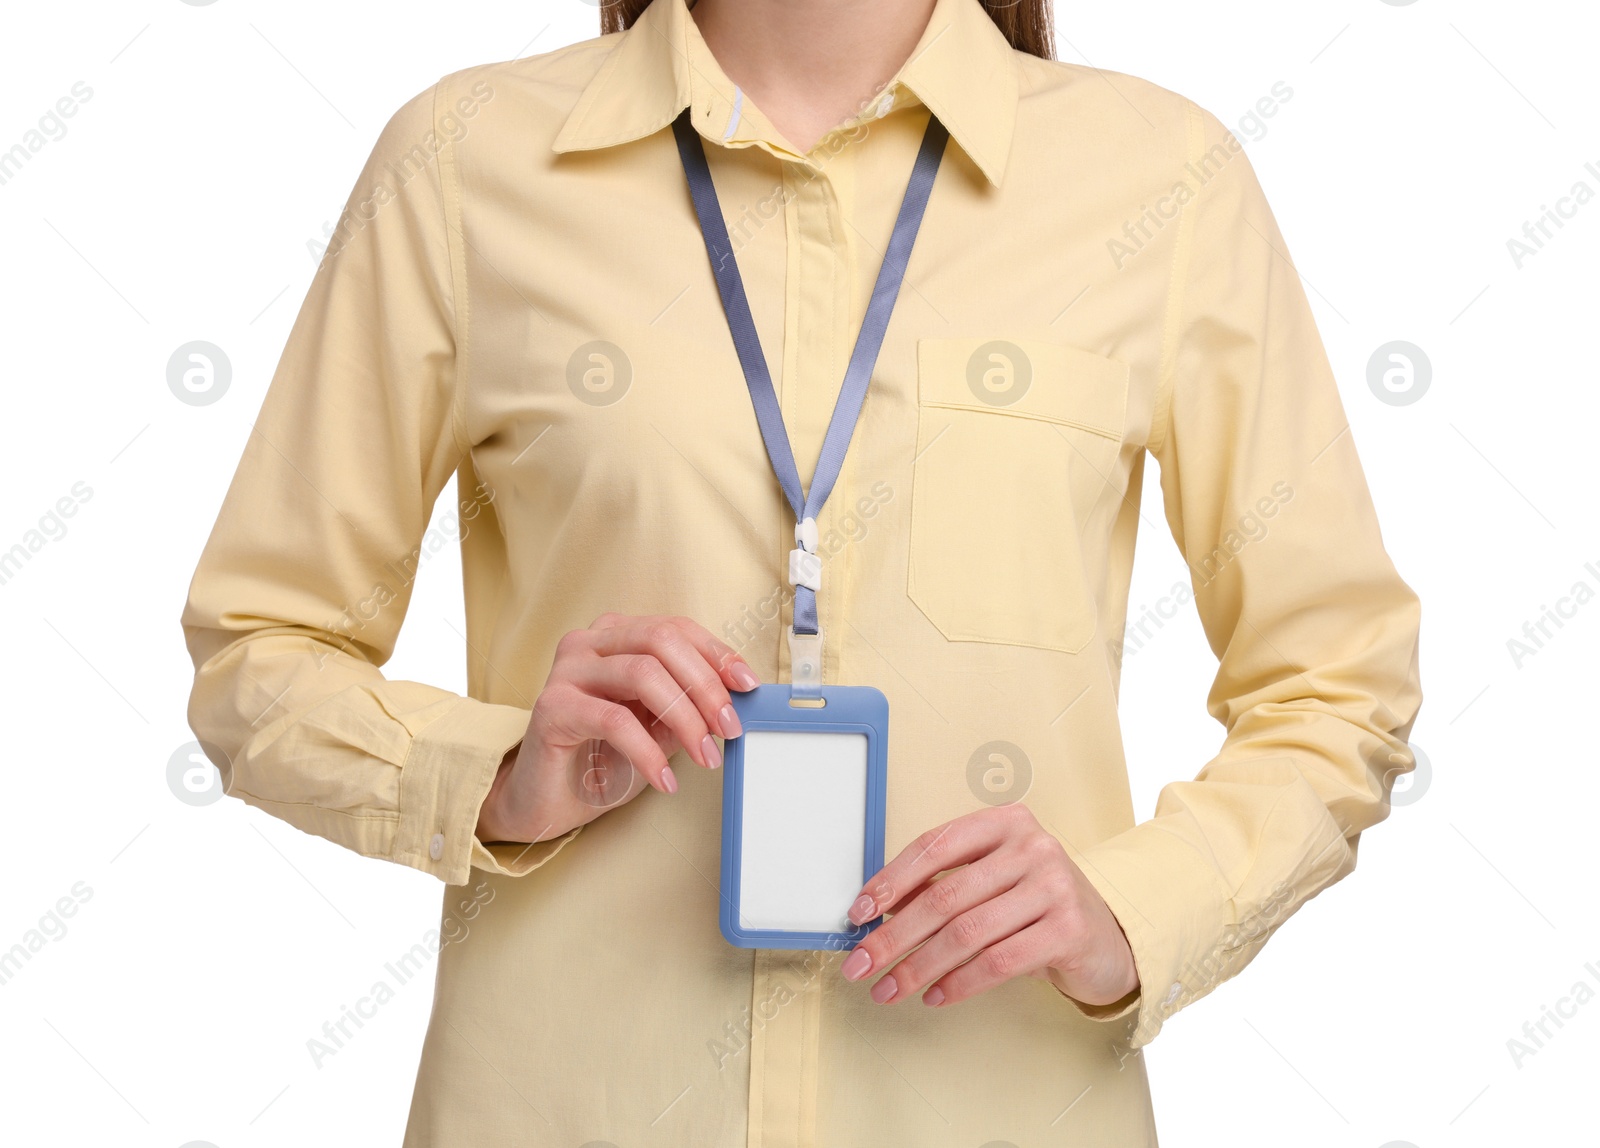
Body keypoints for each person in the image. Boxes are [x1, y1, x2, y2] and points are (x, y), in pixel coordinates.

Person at [180, 0, 1423, 1143]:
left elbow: (1338, 683)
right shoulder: (463, 161)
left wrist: (1135, 911)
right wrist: (493, 774)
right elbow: (259, 652)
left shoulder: (1162, 181)